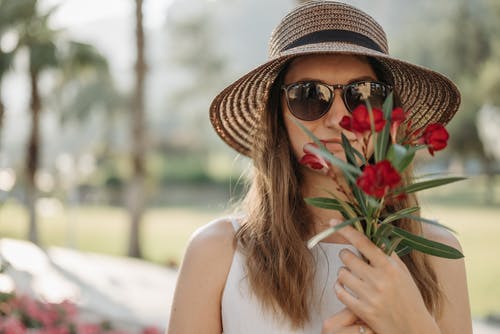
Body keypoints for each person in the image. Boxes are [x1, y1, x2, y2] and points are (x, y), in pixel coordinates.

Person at [167, 1, 473, 333]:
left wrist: (413, 323)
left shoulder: (437, 256)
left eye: (364, 94)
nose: (339, 118)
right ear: (277, 118)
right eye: (309, 95)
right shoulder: (217, 254)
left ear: (387, 115)